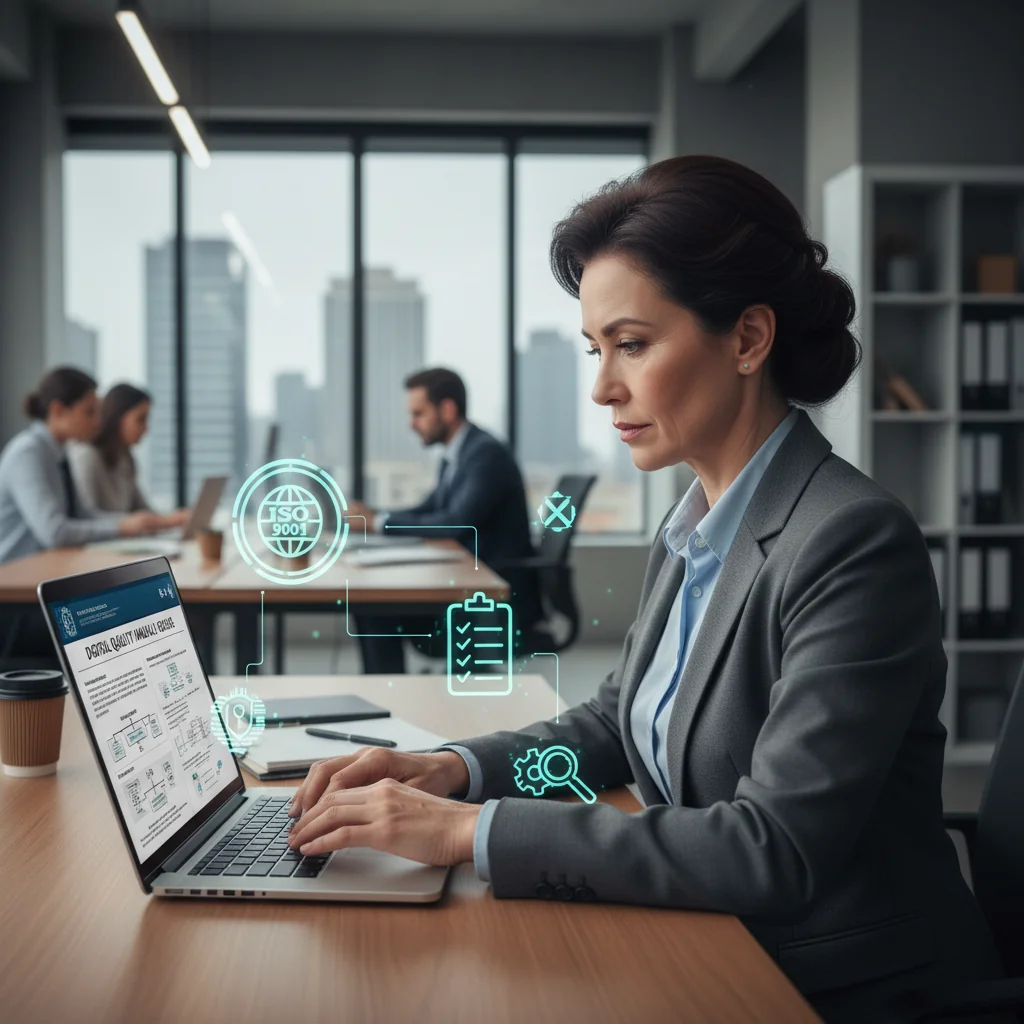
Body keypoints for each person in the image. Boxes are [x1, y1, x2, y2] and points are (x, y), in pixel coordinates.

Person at [284, 156, 1006, 1021]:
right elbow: (615, 722)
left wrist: (466, 834)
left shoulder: (851, 541)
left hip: (836, 982)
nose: (601, 386)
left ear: (747, 339)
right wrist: (451, 770)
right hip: (716, 938)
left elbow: (770, 850)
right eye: (597, 349)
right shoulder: (699, 515)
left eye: (632, 343)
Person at [348, 367, 541, 673]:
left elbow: (456, 522)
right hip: (466, 586)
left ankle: (388, 701)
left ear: (448, 409)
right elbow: (428, 509)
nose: (412, 424)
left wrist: (376, 523)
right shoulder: (458, 455)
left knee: (375, 610)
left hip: (493, 602)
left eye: (419, 413)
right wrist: (374, 516)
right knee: (371, 608)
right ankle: (389, 699)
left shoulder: (484, 454)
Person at [0, 368, 182, 659]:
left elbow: (85, 515)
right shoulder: (28, 454)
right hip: (15, 603)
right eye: (89, 412)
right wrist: (124, 527)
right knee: (124, 621)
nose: (98, 421)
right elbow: (55, 532)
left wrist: (130, 524)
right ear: (59, 410)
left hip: (46, 586)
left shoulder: (58, 453)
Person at [68, 382, 187, 521]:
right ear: (118, 417)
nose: (146, 429)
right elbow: (86, 518)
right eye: (140, 419)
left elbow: (143, 510)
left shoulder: (125, 457)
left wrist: (171, 519)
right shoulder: (86, 456)